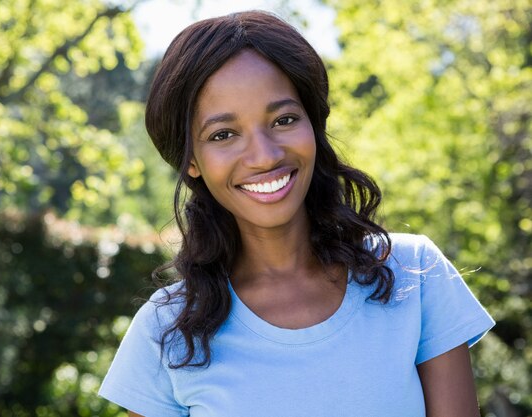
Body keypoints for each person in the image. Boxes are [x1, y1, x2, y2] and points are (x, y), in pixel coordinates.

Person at [98, 10, 495, 417]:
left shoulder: (415, 274)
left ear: (313, 125)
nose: (265, 156)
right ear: (191, 160)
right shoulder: (165, 333)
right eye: (223, 135)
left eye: (284, 119)